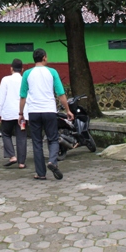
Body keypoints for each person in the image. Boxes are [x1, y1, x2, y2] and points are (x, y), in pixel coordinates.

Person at [19, 48, 73, 180]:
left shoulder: (27, 74)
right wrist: (68, 110)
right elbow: (60, 94)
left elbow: (23, 97)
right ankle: (52, 162)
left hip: (34, 112)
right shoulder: (52, 72)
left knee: (37, 142)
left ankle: (40, 173)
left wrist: (21, 113)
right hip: (49, 111)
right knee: (53, 139)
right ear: (44, 57)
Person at [0, 58, 27, 169]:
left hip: (8, 113)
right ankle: (21, 163)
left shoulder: (5, 80)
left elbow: (1, 98)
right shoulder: (25, 80)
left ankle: (12, 156)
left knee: (5, 133)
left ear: (11, 69)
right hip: (22, 114)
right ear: (22, 69)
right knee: (22, 137)